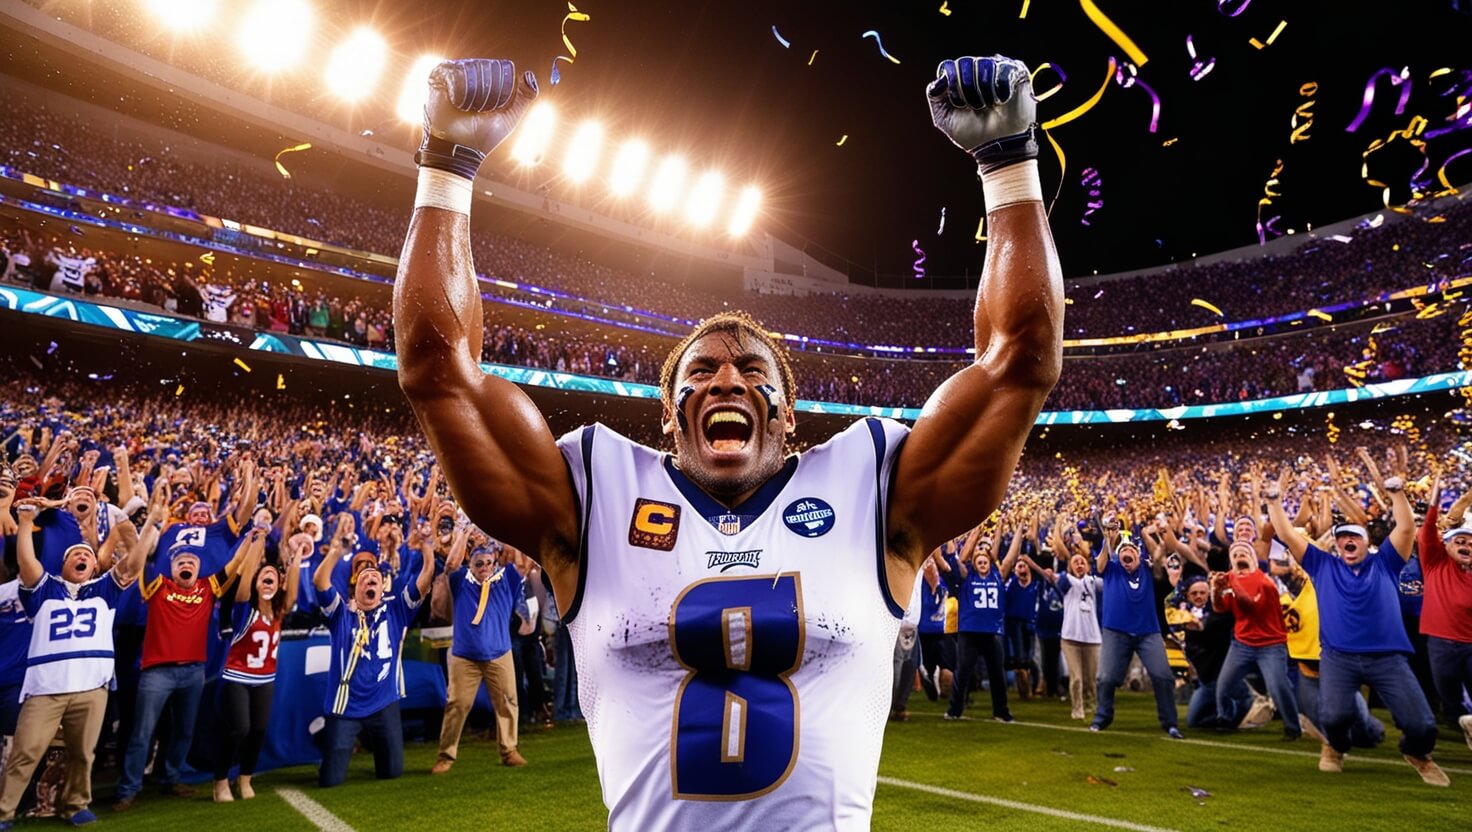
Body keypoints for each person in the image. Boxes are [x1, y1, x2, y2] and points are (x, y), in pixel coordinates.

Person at [394, 53, 1061, 827]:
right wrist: (448, 165)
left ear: (786, 417)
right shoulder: (592, 498)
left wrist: (1009, 164)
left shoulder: (875, 491)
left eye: (752, 369)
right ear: (672, 420)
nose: (727, 380)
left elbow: (1020, 360)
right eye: (701, 372)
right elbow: (438, 369)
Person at [1264, 469, 1447, 785]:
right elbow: (1287, 533)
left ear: (1366, 544)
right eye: (1342, 538)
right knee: (1333, 717)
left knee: (1422, 725)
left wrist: (1396, 494)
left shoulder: (1386, 563)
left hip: (1388, 658)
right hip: (1339, 657)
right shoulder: (1323, 565)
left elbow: (1405, 528)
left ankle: (1416, 752)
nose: (1347, 541)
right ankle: (1335, 745)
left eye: (1354, 537)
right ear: (1336, 545)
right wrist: (1274, 500)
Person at [0, 496, 152, 830]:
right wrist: (25, 522)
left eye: (86, 555)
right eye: (74, 555)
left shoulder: (103, 590)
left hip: (91, 688)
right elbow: (27, 564)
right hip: (46, 689)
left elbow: (132, 565)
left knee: (83, 754)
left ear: (96, 566)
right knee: (25, 753)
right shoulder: (45, 589)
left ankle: (75, 804)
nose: (81, 556)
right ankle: (4, 810)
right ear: (62, 566)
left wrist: (151, 521)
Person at [114, 525, 253, 810]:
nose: (186, 564)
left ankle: (170, 778)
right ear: (172, 567)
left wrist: (250, 538)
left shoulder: (208, 588)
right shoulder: (157, 585)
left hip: (193, 671)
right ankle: (128, 788)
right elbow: (138, 560)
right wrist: (149, 522)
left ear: (199, 569)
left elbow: (235, 564)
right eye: (180, 562)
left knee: (184, 731)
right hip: (156, 672)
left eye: (191, 562)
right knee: (143, 732)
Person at [313, 519, 436, 787]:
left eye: (376, 579)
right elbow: (320, 582)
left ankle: (346, 741)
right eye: (365, 577)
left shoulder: (395, 610)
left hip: (384, 702)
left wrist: (426, 547)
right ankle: (326, 736)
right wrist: (336, 551)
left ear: (382, 589)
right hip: (345, 706)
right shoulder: (341, 613)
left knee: (392, 772)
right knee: (330, 781)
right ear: (355, 588)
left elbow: (425, 580)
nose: (371, 579)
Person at [212, 528, 303, 802]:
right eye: (264, 578)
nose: (268, 581)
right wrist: (256, 543)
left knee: (259, 729)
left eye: (273, 578)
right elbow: (245, 582)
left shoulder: (278, 610)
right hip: (237, 677)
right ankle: (220, 781)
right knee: (239, 728)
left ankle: (245, 778)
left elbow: (293, 593)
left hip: (265, 678)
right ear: (256, 582)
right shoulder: (244, 608)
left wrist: (297, 554)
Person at [433, 536, 529, 774]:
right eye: (478, 563)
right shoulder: (461, 581)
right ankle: (446, 755)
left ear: (494, 560)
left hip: (499, 653)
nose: (484, 567)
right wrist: (464, 532)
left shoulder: (505, 579)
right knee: (457, 703)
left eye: (488, 562)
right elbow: (450, 566)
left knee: (508, 702)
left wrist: (506, 529)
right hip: (464, 656)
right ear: (471, 564)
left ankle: (509, 750)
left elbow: (522, 562)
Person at [1090, 535, 1184, 738]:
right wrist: (1107, 538)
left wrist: (1159, 542)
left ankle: (1170, 723)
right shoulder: (1112, 569)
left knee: (1163, 676)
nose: (1127, 552)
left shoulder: (1149, 571)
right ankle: (1102, 717)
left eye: (1132, 549)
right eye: (1123, 550)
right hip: (1116, 631)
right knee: (1106, 678)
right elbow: (1099, 565)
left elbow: (1160, 562)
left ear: (1139, 556)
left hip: (1148, 632)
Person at [1211, 541, 1301, 739]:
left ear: (1254, 559)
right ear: (1231, 562)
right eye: (1235, 554)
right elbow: (1219, 607)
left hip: (1271, 644)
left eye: (1244, 552)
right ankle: (1225, 718)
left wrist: (1230, 583)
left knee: (1278, 687)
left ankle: (1292, 727)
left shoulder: (1265, 582)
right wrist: (1215, 589)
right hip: (1242, 643)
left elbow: (1250, 605)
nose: (1239, 555)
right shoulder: (1229, 580)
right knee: (1223, 687)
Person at [1417, 476, 1472, 747]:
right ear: (1446, 545)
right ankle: (1463, 724)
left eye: (1471, 543)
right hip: (1440, 643)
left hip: (1471, 645)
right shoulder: (1434, 563)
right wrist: (1435, 498)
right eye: (1460, 540)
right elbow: (1428, 529)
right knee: (1449, 697)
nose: (1466, 546)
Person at [945, 524, 1019, 721]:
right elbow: (962, 558)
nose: (982, 562)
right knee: (963, 671)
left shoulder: (998, 575)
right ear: (974, 563)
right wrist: (977, 531)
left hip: (993, 630)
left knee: (997, 672)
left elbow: (1010, 558)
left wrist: (1008, 529)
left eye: (985, 560)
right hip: (969, 630)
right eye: (978, 560)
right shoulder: (966, 575)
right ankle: (954, 710)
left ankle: (1001, 711)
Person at [1046, 553, 1101, 721]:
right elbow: (1055, 579)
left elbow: (1109, 584)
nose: (1079, 564)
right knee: (1076, 677)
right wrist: (1049, 574)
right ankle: (1077, 709)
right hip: (1070, 637)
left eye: (1082, 562)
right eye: (1075, 562)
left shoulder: (1093, 582)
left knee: (1091, 679)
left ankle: (1092, 704)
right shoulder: (1067, 580)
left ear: (1087, 566)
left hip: (1092, 638)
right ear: (1070, 566)